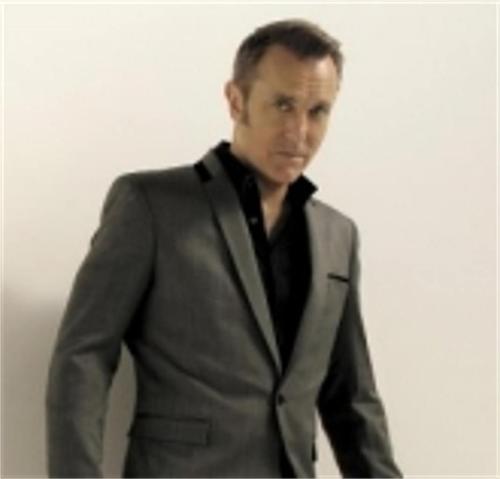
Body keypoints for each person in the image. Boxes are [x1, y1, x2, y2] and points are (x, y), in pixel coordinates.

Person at [46, 19, 402, 478]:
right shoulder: (151, 206)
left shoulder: (338, 235)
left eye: (317, 111)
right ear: (236, 100)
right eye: (283, 104)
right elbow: (83, 358)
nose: (299, 131)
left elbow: (351, 397)